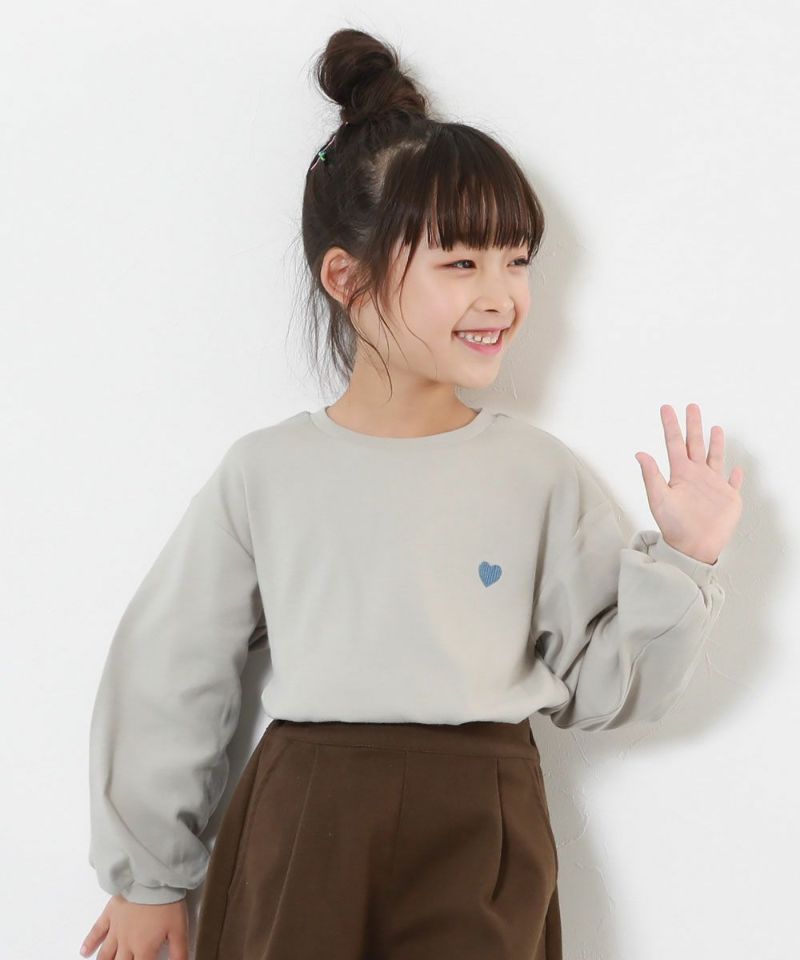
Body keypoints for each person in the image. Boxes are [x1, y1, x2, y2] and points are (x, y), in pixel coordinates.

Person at [80, 26, 743, 960]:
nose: (501, 294)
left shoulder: (536, 474)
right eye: (461, 262)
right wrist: (149, 877)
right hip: (306, 819)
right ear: (346, 278)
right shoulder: (267, 471)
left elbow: (598, 689)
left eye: (516, 259)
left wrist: (685, 559)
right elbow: (173, 668)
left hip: (481, 822)